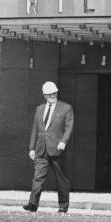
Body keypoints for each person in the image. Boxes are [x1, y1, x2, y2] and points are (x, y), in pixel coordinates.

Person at [23, 81, 74, 214]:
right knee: (38, 177)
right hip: (41, 148)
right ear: (44, 95)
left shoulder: (66, 108)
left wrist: (64, 141)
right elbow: (35, 129)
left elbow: (69, 127)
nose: (52, 95)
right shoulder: (39, 109)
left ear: (56, 93)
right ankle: (32, 204)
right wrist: (31, 148)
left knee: (61, 178)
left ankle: (63, 206)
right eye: (49, 94)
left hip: (57, 148)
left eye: (54, 93)